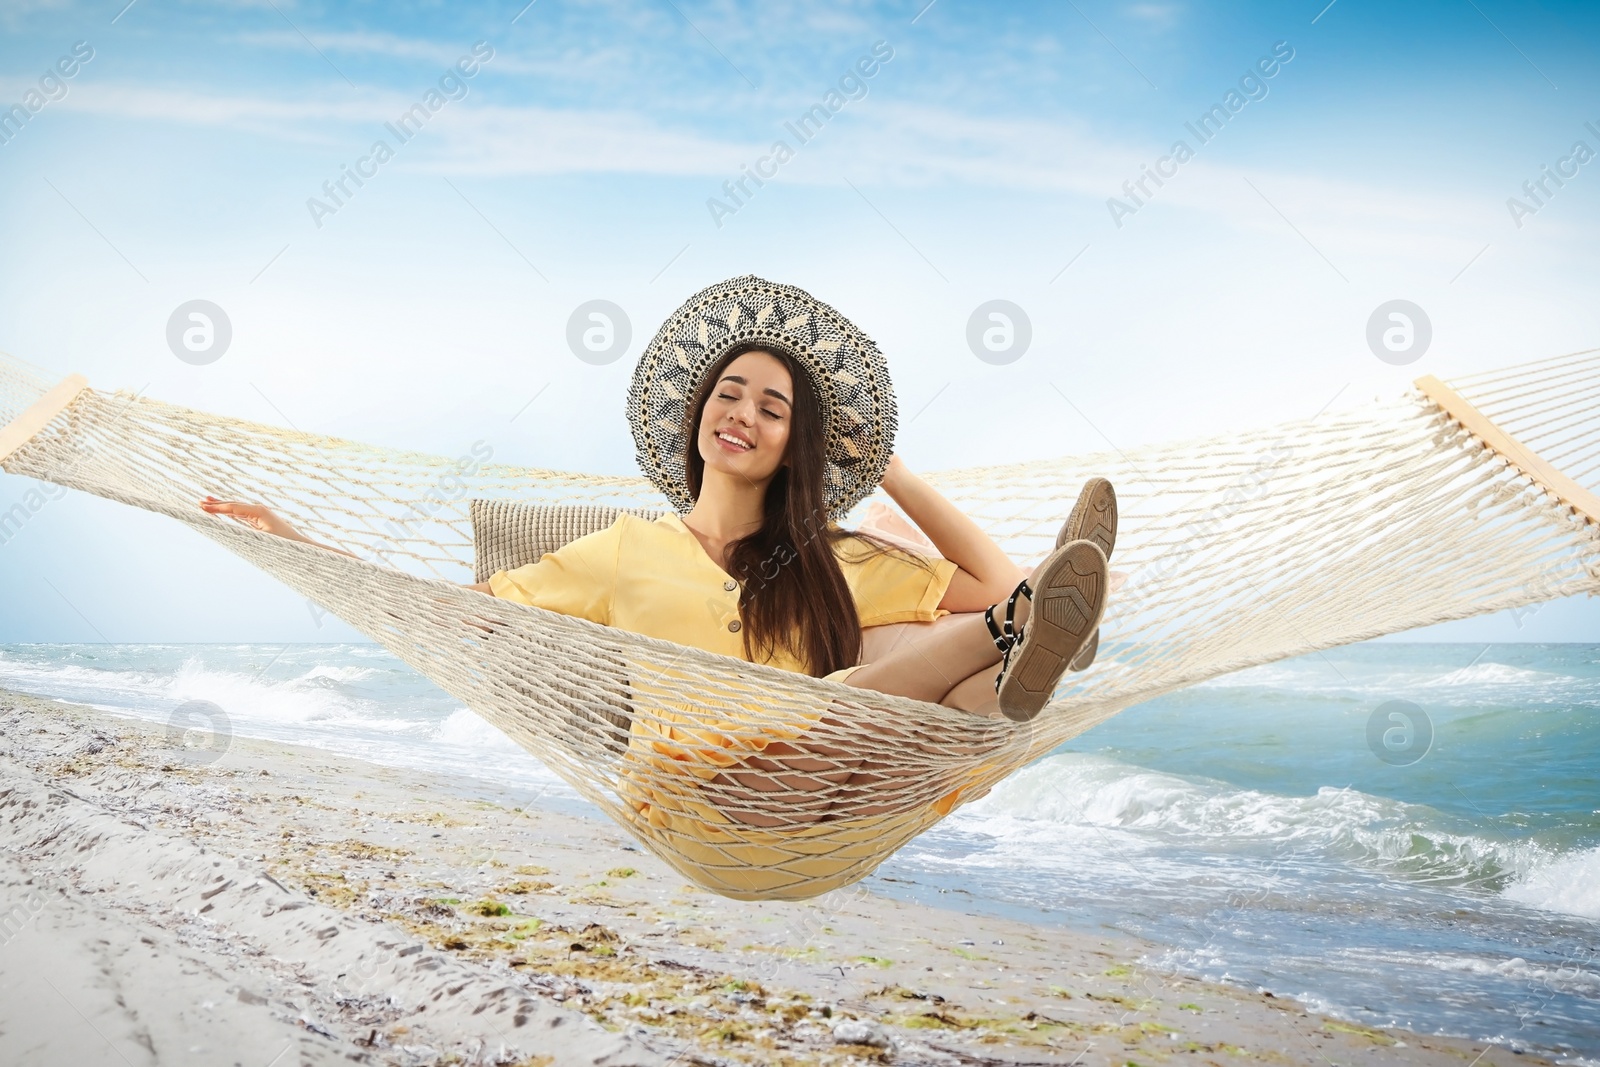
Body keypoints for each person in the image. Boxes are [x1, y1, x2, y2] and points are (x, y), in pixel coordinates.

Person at [201, 276, 1113, 727]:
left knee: (964, 699)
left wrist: (893, 475)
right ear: (697, 414)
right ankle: (1032, 635)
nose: (742, 414)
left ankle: (1028, 648)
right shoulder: (622, 548)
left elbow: (993, 580)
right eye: (728, 392)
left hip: (831, 771)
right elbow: (440, 613)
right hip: (698, 788)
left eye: (772, 407)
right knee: (932, 661)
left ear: (796, 444)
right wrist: (294, 541)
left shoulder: (830, 559)